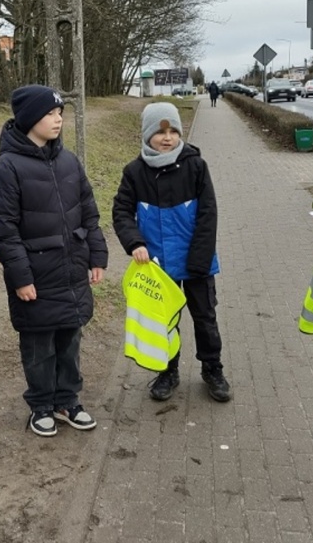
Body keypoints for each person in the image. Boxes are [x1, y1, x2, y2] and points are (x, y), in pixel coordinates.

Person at [0, 84, 108, 437]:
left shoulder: (69, 160)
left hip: (71, 270)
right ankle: (41, 405)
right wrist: (21, 277)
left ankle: (68, 401)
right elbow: (3, 230)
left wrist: (97, 255)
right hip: (36, 276)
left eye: (60, 114)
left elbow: (89, 211)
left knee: (70, 339)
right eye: (50, 114)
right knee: (39, 345)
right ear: (28, 119)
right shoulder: (6, 169)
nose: (58, 120)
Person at [112, 101, 231, 403]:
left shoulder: (195, 167)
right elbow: (121, 211)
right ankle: (168, 370)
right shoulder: (134, 172)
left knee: (205, 318)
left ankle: (212, 369)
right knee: (164, 322)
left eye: (173, 131)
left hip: (196, 262)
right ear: (147, 134)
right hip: (157, 265)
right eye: (160, 131)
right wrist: (135, 242)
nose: (167, 137)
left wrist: (200, 260)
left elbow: (208, 215)